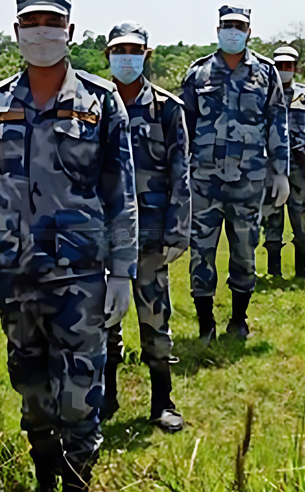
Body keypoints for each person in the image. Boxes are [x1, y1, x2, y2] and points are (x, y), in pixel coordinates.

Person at [0, 0, 138, 491]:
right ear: (16, 32)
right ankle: (44, 476)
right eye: (32, 22)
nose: (42, 31)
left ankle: (79, 480)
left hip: (80, 275)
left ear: (71, 32)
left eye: (52, 21)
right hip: (14, 275)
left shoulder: (100, 102)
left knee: (80, 396)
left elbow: (119, 192)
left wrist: (122, 271)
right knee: (32, 389)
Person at [179, 5, 288, 342]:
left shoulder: (266, 73)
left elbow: (277, 122)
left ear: (249, 32)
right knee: (202, 252)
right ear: (217, 29)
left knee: (244, 251)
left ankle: (238, 320)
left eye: (239, 26)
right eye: (227, 25)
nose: (233, 31)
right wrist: (179, 175)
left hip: (248, 181)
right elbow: (184, 127)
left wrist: (280, 173)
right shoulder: (198, 73)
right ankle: (205, 324)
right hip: (204, 182)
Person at [100, 22, 189, 432]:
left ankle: (162, 402)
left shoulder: (168, 109)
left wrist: (177, 231)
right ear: (107, 56)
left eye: (135, 50)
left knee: (155, 322)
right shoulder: (91, 104)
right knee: (104, 321)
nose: (127, 57)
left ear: (147, 55)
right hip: (101, 235)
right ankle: (107, 396)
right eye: (119, 50)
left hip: (150, 236)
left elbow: (180, 175)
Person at [260, 45, 305, 279]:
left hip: (302, 166)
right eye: (279, 66)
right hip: (272, 166)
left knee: (301, 217)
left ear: (296, 67)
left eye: (288, 66)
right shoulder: (263, 94)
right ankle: (274, 271)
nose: (284, 70)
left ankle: (301, 270)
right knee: (272, 216)